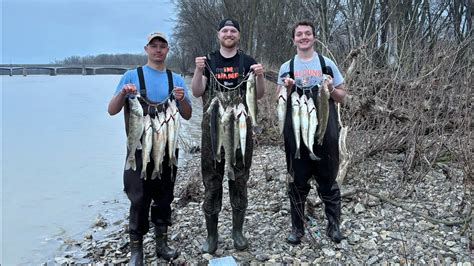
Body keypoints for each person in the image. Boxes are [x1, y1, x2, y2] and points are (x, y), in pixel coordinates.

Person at [108, 32, 192, 265]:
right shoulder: (131, 76)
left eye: (162, 46)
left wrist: (182, 98)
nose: (158, 50)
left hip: (167, 147)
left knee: (164, 197)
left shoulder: (175, 79)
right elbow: (112, 110)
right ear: (146, 49)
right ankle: (137, 249)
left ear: (167, 50)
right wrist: (124, 93)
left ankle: (162, 243)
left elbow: (187, 114)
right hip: (139, 149)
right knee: (138, 198)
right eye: (153, 46)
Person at [191, 18, 265, 254]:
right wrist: (199, 70)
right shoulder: (209, 60)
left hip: (240, 129)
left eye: (233, 30)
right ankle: (212, 236)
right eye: (225, 30)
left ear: (238, 36)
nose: (229, 33)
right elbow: (196, 91)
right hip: (212, 132)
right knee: (212, 183)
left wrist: (260, 75)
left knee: (239, 181)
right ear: (218, 34)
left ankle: (237, 232)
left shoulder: (248, 62)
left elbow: (259, 95)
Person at [277, 21, 346, 245]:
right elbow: (278, 99)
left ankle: (333, 226)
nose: (304, 37)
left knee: (328, 180)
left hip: (326, 129)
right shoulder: (286, 67)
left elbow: (343, 96)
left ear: (314, 37)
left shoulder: (327, 64)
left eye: (308, 33)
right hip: (296, 130)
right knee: (297, 181)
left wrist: (331, 89)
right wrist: (286, 88)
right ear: (293, 39)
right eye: (299, 34)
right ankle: (297, 228)